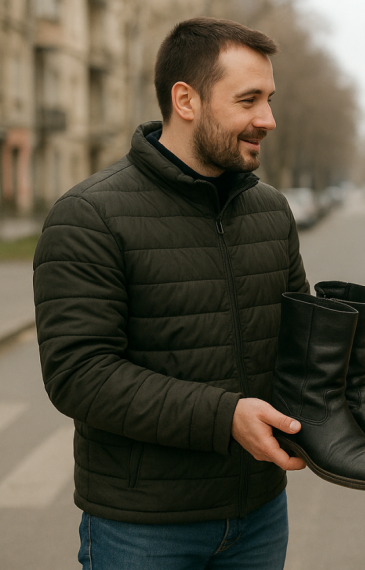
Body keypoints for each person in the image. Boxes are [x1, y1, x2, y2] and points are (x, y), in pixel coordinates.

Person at [33, 17, 309, 569]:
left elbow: (295, 347)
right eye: (249, 100)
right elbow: (78, 374)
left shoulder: (271, 210)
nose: (268, 120)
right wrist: (225, 416)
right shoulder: (89, 215)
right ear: (186, 100)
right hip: (141, 529)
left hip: (258, 513)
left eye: (269, 99)